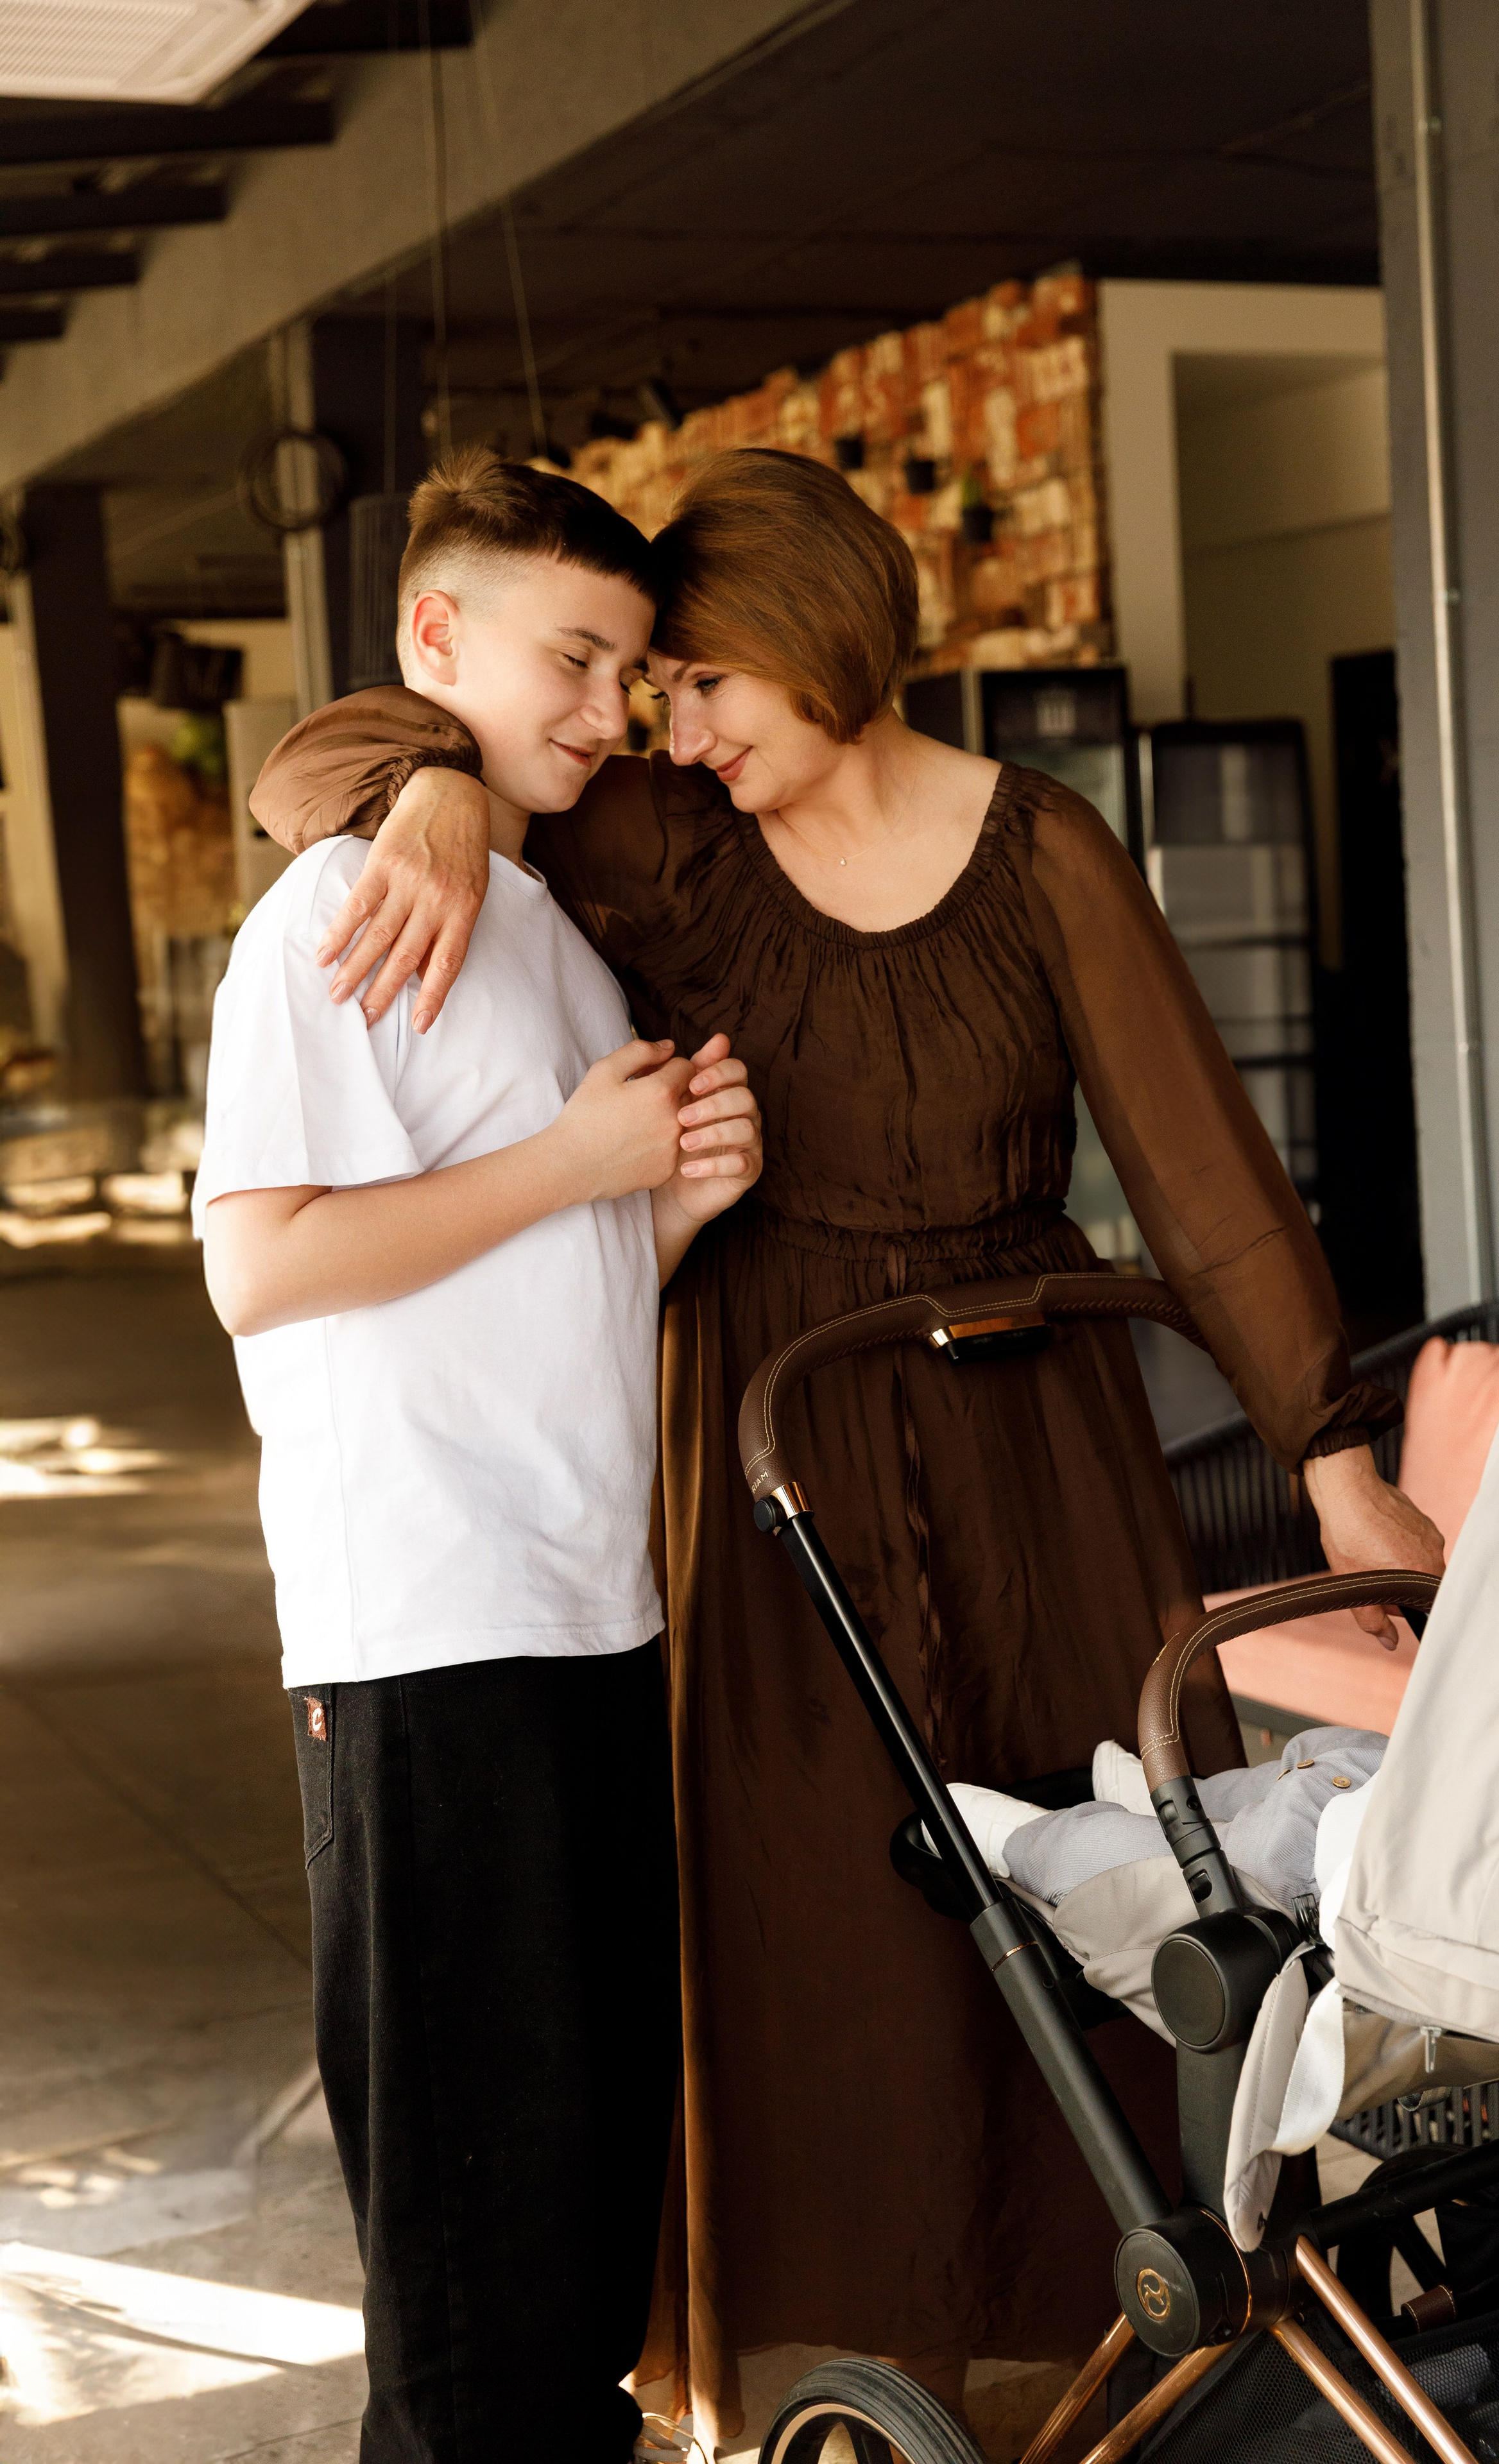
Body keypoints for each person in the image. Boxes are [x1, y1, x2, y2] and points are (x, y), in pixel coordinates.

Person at [250, 446, 1443, 2451]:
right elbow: (320, 774)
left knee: (1103, 1899)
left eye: (704, 678)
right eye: (646, 683)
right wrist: (428, 785)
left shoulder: (1042, 846)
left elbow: (1206, 1179)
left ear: (822, 649)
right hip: (771, 1445)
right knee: (814, 1931)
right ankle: (837, 2368)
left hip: (1036, 1444)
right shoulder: (656, 836)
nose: (664, 726)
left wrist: (1330, 1450)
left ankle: (1131, 2355)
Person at [196, 456, 762, 2464]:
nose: (607, 709)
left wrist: (668, 1204)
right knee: (468, 2305)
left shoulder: (536, 918)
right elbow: (263, 1267)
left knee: (580, 2262)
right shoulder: (339, 908)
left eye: (632, 668)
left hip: (590, 1614)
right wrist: (578, 1162)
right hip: (424, 1636)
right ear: (434, 640)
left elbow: (545, 1273)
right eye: (574, 656)